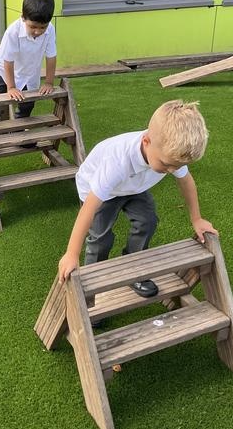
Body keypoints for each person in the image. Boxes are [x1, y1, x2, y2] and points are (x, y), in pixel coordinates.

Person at [57, 100, 218, 297]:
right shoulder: (117, 162)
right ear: (146, 142)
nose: (171, 171)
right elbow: (89, 208)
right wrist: (72, 253)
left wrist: (197, 219)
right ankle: (91, 286)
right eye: (166, 165)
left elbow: (187, 182)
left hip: (133, 186)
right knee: (101, 237)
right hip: (98, 190)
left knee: (147, 221)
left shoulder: (170, 154)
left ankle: (134, 269)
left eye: (176, 166)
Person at [0, 0, 57, 123]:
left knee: (28, 101)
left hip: (29, 70)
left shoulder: (51, 29)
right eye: (33, 27)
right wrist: (11, 87)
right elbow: (8, 61)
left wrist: (49, 82)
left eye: (42, 28)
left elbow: (51, 57)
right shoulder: (13, 31)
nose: (37, 31)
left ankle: (20, 126)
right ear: (23, 18)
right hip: (3, 68)